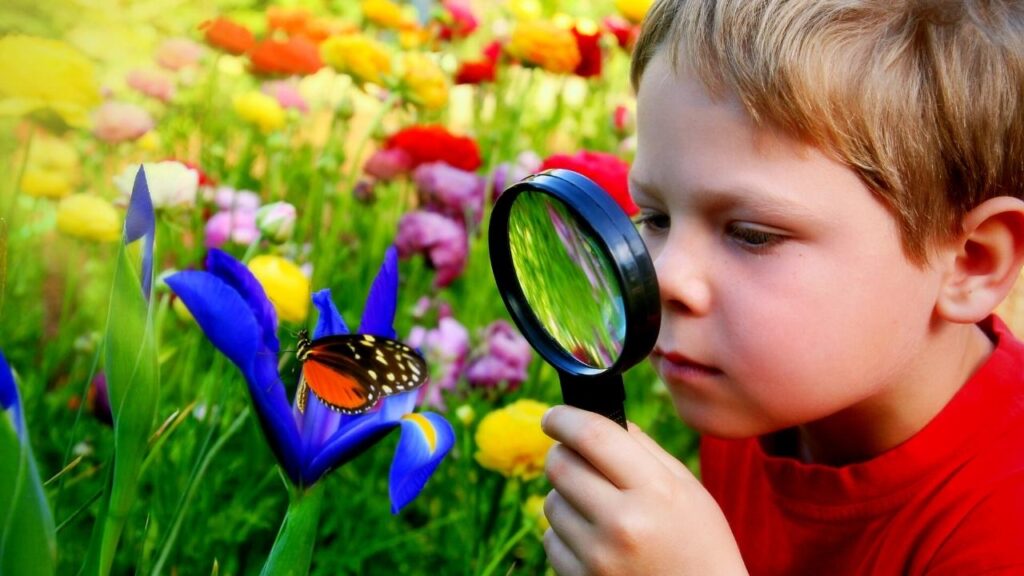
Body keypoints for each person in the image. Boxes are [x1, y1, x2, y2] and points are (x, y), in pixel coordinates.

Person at [540, 0, 1024, 573]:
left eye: (751, 234)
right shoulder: (756, 400)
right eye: (655, 217)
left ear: (971, 262)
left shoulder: (1003, 522)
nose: (665, 275)